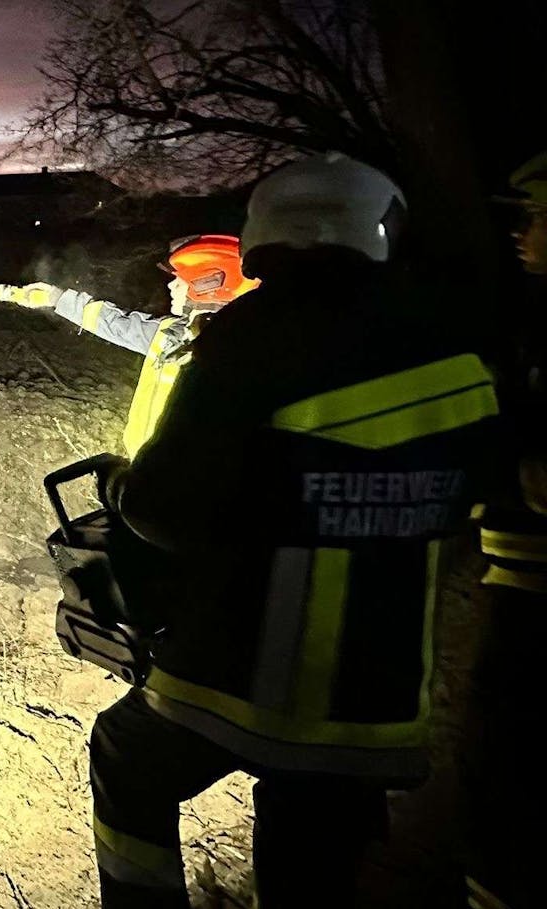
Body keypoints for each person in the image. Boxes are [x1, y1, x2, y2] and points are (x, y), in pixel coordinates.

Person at [87, 153, 500, 908]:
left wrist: (117, 482)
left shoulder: (248, 336)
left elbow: (165, 510)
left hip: (238, 676)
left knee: (126, 755)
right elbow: (477, 495)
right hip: (378, 701)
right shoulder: (456, 346)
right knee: (312, 866)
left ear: (268, 233)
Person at [465, 148, 547, 909]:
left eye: (537, 215)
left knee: (509, 761)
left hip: (537, 591)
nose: (523, 231)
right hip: (516, 577)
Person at [0, 234, 258, 457]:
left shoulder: (240, 357)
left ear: (208, 285)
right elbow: (113, 322)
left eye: (180, 280)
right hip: (145, 469)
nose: (170, 284)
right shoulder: (170, 333)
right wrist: (57, 298)